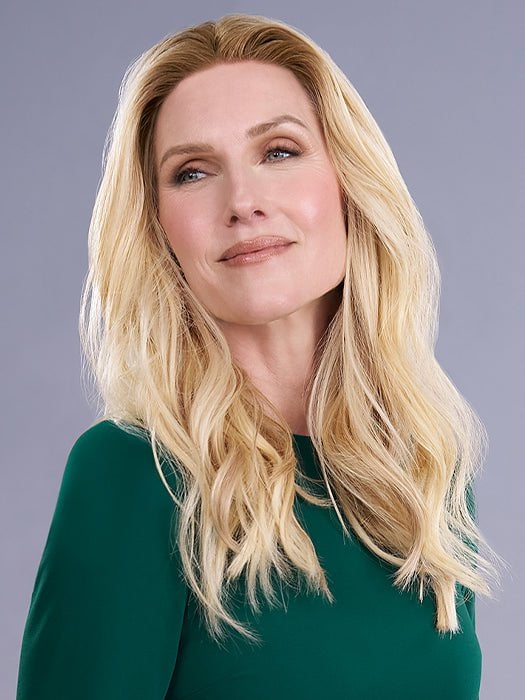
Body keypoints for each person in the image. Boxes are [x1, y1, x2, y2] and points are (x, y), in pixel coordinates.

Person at [16, 13, 501, 699]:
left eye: (278, 151)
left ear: (347, 180)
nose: (242, 202)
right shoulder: (135, 475)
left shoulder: (422, 475)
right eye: (191, 172)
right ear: (157, 227)